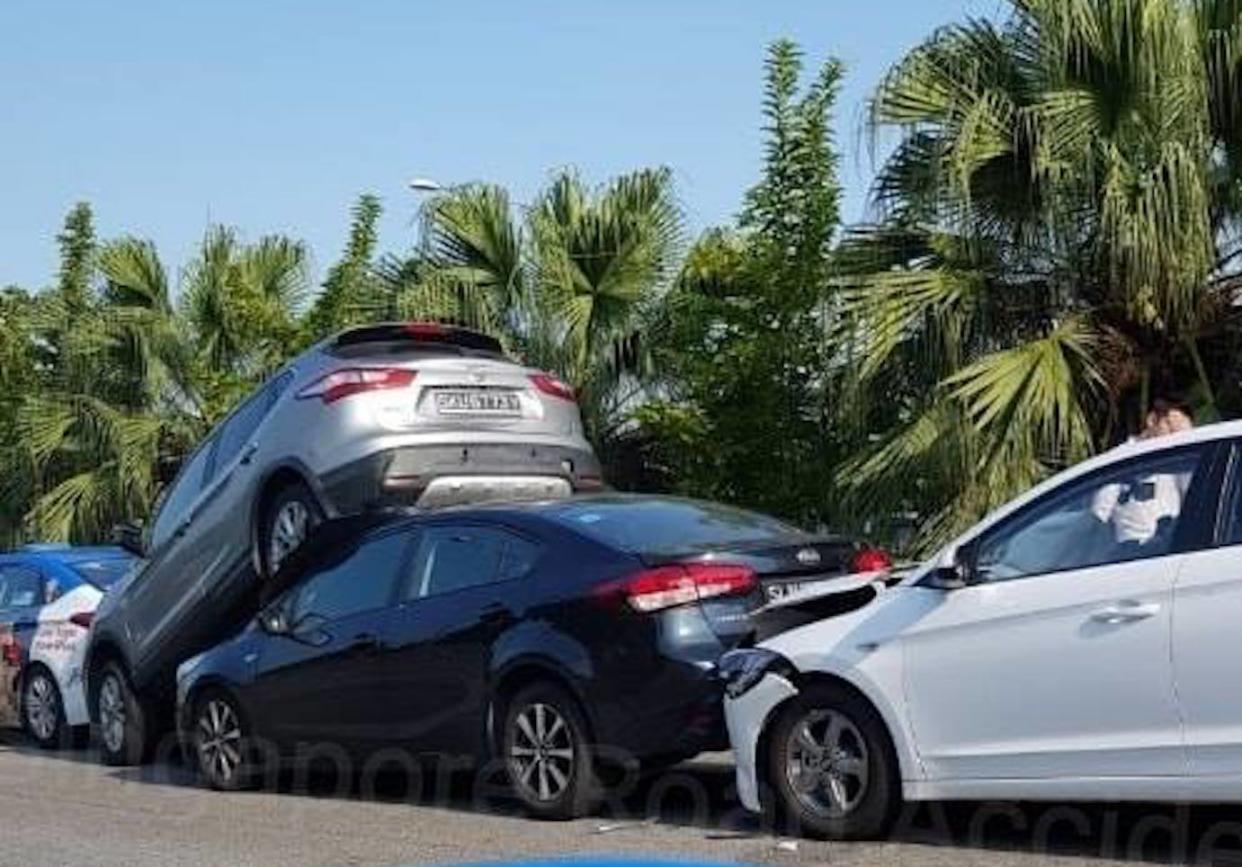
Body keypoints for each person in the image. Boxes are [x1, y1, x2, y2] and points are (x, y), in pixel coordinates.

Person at [1089, 398, 1195, 552]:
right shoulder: (1121, 459)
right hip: (1132, 552)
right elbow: (1098, 517)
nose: (1177, 439)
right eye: (1171, 429)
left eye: (1183, 434)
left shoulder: (1182, 460)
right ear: (1152, 420)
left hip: (1173, 548)